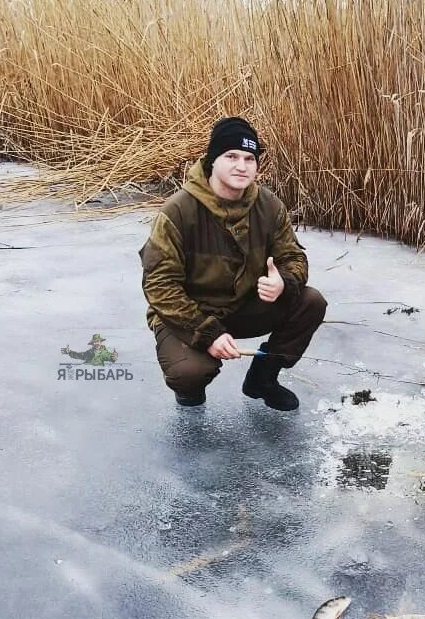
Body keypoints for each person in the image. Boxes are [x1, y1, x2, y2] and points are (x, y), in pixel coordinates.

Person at [140, 117, 326, 410]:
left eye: (250, 158)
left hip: (242, 307)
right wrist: (208, 333)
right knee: (188, 373)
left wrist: (284, 282)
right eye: (231, 156)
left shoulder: (269, 205)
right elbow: (159, 286)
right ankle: (189, 393)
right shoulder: (177, 211)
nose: (242, 165)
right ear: (213, 160)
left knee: (310, 301)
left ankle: (263, 379)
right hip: (187, 314)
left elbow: (293, 257)